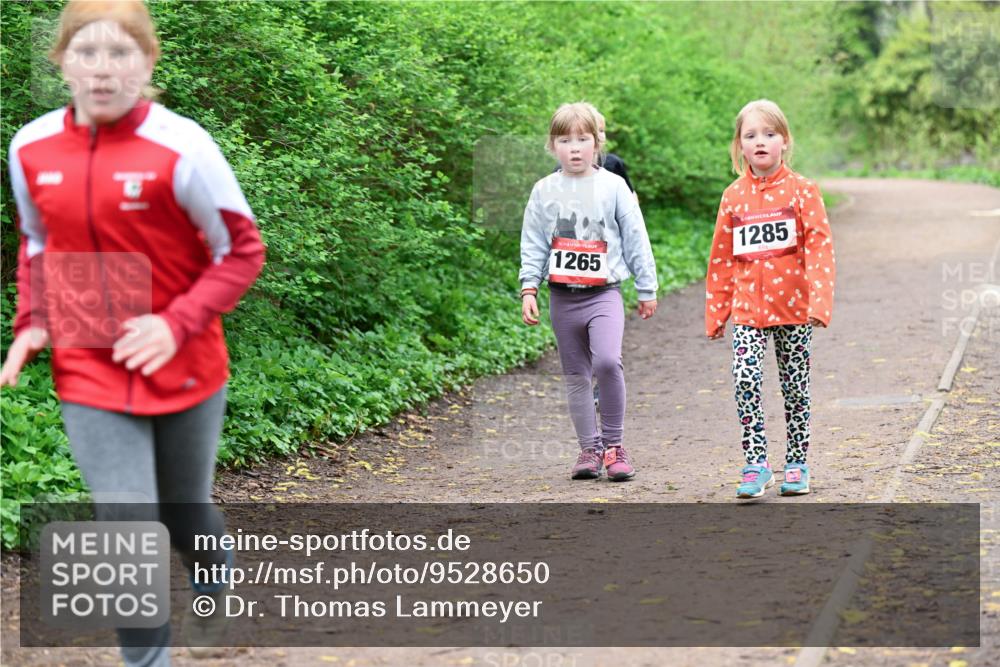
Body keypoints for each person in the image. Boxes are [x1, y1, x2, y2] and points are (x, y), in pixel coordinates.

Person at [1, 0, 266, 662]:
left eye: (121, 53)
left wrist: (176, 323)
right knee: (124, 523)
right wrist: (32, 320)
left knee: (182, 511)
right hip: (87, 364)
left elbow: (242, 250)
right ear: (60, 61)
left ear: (148, 62)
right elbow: (36, 242)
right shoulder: (30, 147)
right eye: (85, 52)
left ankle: (214, 572)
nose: (102, 69)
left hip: (185, 361)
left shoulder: (184, 146)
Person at [704, 99, 835, 499]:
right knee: (745, 379)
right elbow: (722, 257)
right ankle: (756, 464)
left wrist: (819, 302)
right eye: (751, 135)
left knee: (795, 389)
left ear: (785, 141)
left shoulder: (803, 192)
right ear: (739, 146)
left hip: (794, 310)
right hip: (747, 312)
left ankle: (796, 463)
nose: (760, 142)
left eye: (769, 134)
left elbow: (819, 248)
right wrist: (717, 311)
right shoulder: (733, 197)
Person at [520, 102, 658, 482]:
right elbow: (532, 241)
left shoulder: (614, 186)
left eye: (583, 139)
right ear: (552, 146)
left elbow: (636, 238)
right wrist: (529, 287)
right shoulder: (543, 190)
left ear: (597, 143)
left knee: (608, 362)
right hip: (562, 297)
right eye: (565, 140)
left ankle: (614, 446)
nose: (575, 148)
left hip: (604, 295)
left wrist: (647, 287)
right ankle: (589, 449)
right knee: (576, 374)